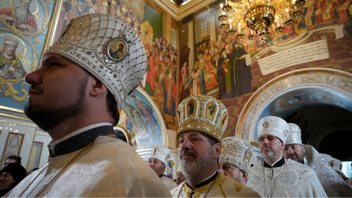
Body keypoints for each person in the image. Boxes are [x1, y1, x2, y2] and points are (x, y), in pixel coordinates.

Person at [4, 13, 171, 198]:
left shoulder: (130, 182)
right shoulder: (33, 178)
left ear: (98, 85)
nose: (30, 76)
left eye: (53, 65)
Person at [170, 95, 260, 198]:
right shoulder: (168, 195)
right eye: (181, 140)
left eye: (195, 139)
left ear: (217, 150)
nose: (184, 145)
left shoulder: (245, 196)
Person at [246, 116, 327, 198]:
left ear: (282, 145)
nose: (265, 142)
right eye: (261, 139)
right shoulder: (250, 173)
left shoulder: (306, 174)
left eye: (271, 138)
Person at [283, 123, 352, 197]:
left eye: (293, 147)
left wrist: (337, 173)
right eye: (285, 149)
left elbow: (340, 177)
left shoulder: (324, 159)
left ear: (303, 149)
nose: (290, 152)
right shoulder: (277, 170)